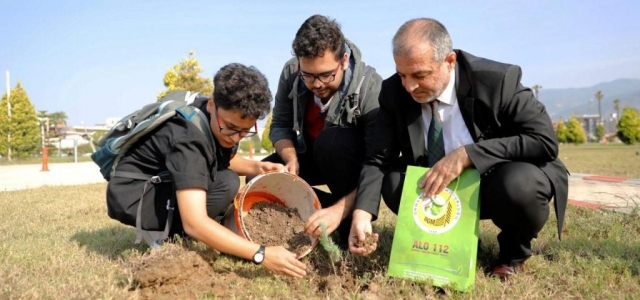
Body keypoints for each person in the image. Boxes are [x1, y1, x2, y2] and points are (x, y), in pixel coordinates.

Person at [349, 18, 569, 281]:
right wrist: (362, 213)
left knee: (520, 184)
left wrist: (469, 154)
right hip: (439, 189)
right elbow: (378, 158)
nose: (409, 87)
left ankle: (512, 254)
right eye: (402, 75)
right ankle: (456, 247)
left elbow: (543, 140)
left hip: (496, 181)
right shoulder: (393, 92)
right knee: (396, 181)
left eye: (420, 75)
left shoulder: (498, 81)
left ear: (449, 61)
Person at [106, 63, 307, 278]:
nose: (234, 137)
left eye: (244, 131)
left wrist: (258, 166)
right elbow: (195, 223)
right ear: (212, 104)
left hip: (156, 182)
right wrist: (261, 254)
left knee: (227, 181)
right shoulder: (188, 138)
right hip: (136, 197)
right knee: (223, 189)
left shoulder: (210, 115)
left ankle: (208, 231)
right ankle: (169, 235)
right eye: (229, 128)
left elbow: (220, 158)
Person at [262, 14, 382, 248]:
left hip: (348, 165)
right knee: (261, 176)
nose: (316, 84)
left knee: (331, 142)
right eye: (307, 75)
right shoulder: (291, 73)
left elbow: (376, 164)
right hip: (309, 155)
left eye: (326, 75)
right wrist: (291, 159)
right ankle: (304, 221)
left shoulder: (370, 86)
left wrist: (340, 209)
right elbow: (280, 126)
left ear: (344, 60)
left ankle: (345, 219)